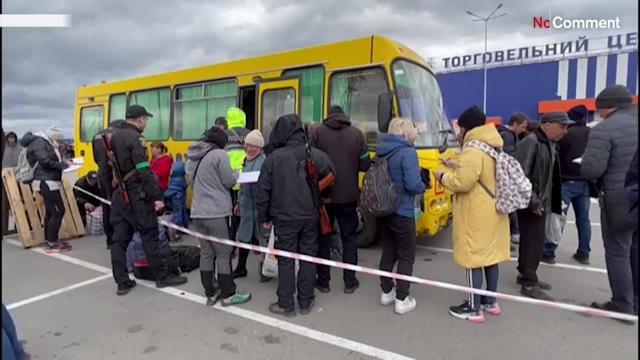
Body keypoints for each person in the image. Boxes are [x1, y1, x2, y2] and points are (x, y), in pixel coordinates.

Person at [435, 106, 510, 323]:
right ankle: (490, 301)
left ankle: (473, 307)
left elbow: (462, 182)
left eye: (460, 128)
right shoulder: (490, 145)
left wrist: (442, 175)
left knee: (473, 258)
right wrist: (454, 163)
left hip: (476, 213)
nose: (458, 133)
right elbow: (479, 169)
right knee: (490, 257)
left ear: (467, 128)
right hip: (493, 210)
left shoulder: (471, 150)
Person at [256, 114, 335, 317]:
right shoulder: (315, 154)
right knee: (308, 257)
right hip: (310, 215)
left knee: (286, 259)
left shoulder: (273, 158)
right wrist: (318, 190)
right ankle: (306, 301)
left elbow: (263, 191)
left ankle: (286, 303)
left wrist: (263, 216)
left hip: (284, 217)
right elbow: (332, 173)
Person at [109, 105, 187, 295]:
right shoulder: (135, 138)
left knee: (119, 239)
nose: (146, 123)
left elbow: (106, 170)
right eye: (146, 119)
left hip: (119, 194)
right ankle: (162, 277)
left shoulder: (112, 137)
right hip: (137, 194)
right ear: (140, 119)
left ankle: (122, 281)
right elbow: (144, 170)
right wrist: (157, 196)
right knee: (149, 235)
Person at [581, 85, 638, 320]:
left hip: (619, 198)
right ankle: (635, 300)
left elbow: (591, 170)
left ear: (606, 107)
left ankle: (622, 304)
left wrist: (584, 161)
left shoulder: (604, 130)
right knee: (635, 248)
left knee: (617, 251)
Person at [186, 126, 251, 306]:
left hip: (197, 212)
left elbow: (191, 181)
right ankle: (229, 293)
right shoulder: (219, 155)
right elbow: (229, 181)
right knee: (223, 252)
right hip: (217, 212)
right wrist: (237, 173)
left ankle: (211, 290)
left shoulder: (192, 157)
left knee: (206, 252)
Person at [309, 105, 371, 294]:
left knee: (324, 238)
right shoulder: (357, 134)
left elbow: (310, 162)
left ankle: (324, 281)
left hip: (324, 197)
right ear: (344, 116)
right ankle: (350, 281)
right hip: (349, 197)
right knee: (349, 238)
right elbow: (365, 164)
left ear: (328, 116)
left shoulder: (318, 133)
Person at [515, 111, 573, 301]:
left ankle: (526, 274)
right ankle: (529, 283)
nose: (566, 131)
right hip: (533, 203)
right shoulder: (531, 143)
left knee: (533, 242)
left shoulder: (548, 144)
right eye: (562, 126)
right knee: (533, 243)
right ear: (547, 125)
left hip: (542, 201)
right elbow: (520, 176)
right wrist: (533, 201)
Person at [375, 117, 427, 315]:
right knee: (406, 255)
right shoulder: (407, 152)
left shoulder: (381, 150)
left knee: (388, 251)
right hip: (403, 211)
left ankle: (386, 292)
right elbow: (413, 185)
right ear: (407, 131)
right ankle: (402, 298)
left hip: (384, 210)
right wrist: (423, 186)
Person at [546, 105, 592, 265]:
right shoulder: (591, 134)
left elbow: (556, 156)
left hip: (564, 180)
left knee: (558, 217)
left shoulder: (566, 134)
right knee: (583, 219)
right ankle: (584, 252)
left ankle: (549, 251)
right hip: (585, 181)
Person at [21, 127, 74, 252]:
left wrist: (62, 160)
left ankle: (50, 240)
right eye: (58, 140)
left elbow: (48, 160)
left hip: (47, 181)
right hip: (46, 181)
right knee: (58, 210)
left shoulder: (44, 143)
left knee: (51, 211)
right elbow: (45, 161)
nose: (59, 142)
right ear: (52, 137)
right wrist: (62, 165)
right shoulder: (40, 143)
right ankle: (51, 242)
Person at [233, 130, 270, 282]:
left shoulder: (264, 161)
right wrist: (238, 203)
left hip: (259, 207)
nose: (249, 149)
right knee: (244, 238)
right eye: (247, 145)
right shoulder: (246, 160)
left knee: (263, 241)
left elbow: (266, 185)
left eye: (253, 146)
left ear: (260, 147)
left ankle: (265, 270)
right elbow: (242, 184)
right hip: (247, 207)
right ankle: (241, 268)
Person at [497, 113, 529, 251]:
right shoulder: (508, 136)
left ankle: (509, 237)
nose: (523, 130)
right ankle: (505, 240)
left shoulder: (503, 134)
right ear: (515, 124)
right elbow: (510, 158)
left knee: (508, 211)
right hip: (506, 179)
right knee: (508, 211)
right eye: (522, 126)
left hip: (502, 179)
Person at [93, 120, 126, 249]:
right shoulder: (117, 135)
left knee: (106, 206)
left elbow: (96, 157)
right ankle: (118, 238)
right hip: (113, 175)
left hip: (102, 174)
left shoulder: (97, 136)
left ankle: (110, 239)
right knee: (117, 207)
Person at [225, 107, 251, 243]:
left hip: (229, 178)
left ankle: (231, 241)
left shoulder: (224, 134)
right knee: (243, 210)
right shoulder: (249, 134)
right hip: (245, 177)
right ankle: (245, 240)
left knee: (230, 214)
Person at [164, 154, 188, 242]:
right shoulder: (181, 179)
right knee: (182, 211)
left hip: (176, 199)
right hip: (180, 198)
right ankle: (185, 228)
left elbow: (168, 193)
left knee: (177, 215)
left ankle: (173, 233)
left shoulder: (174, 181)